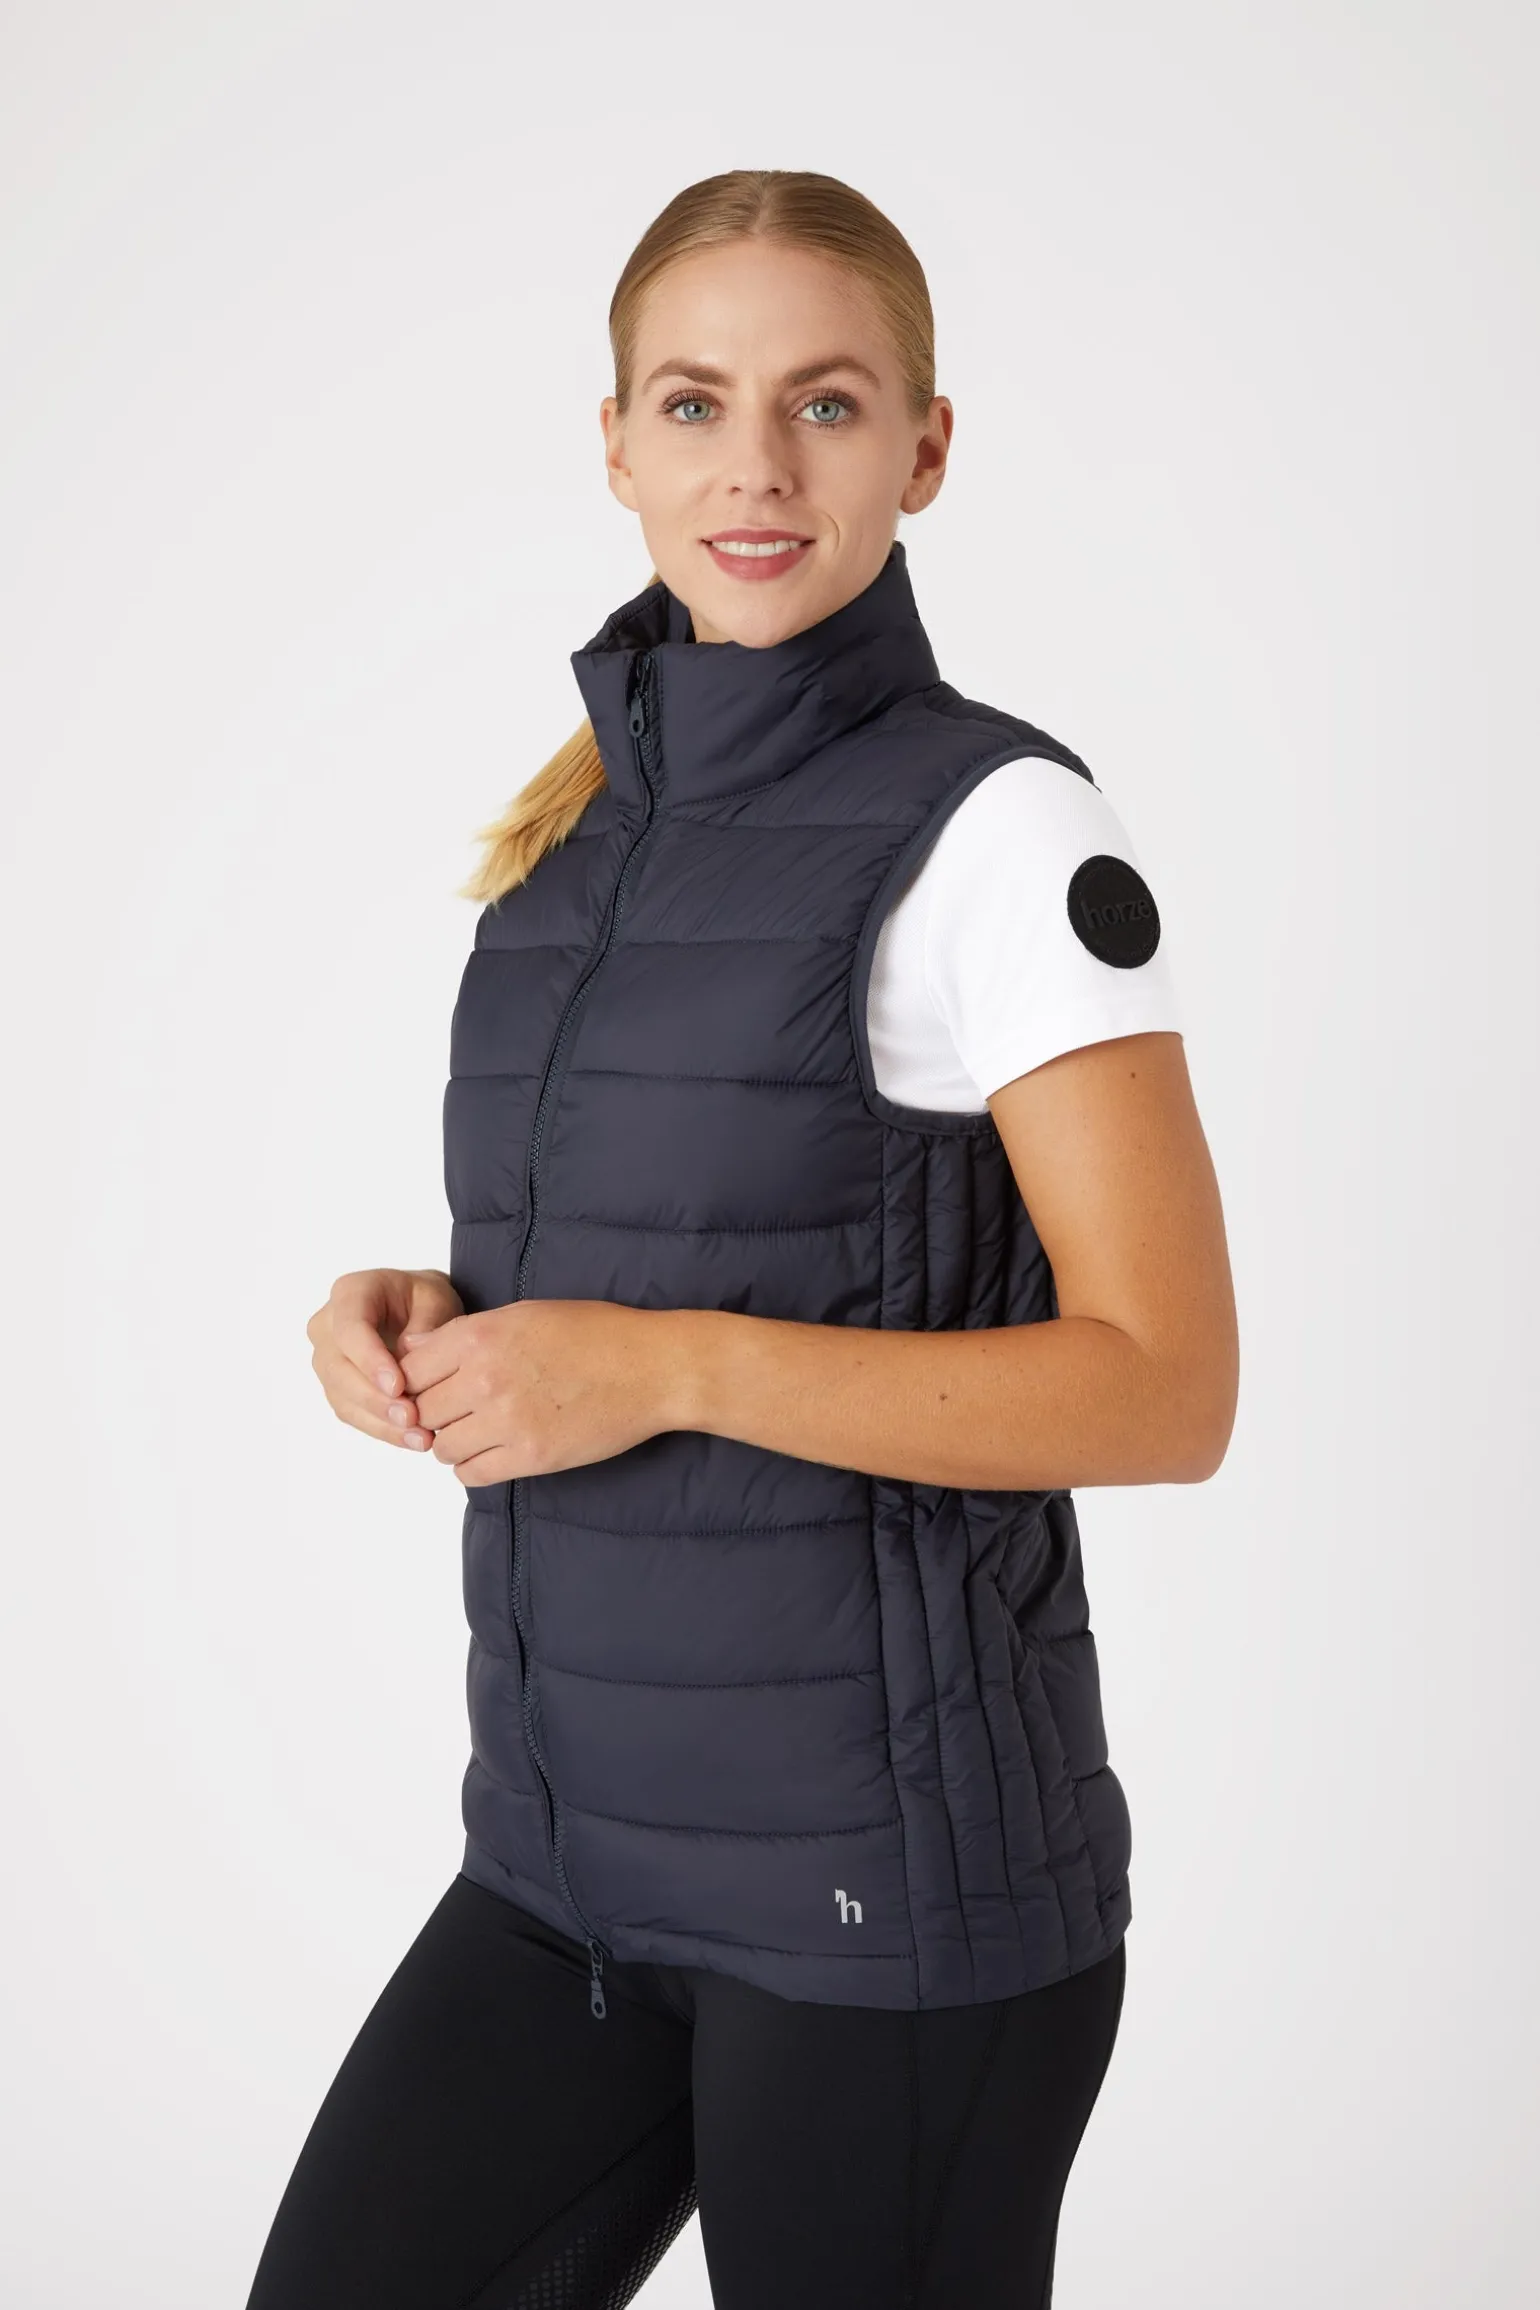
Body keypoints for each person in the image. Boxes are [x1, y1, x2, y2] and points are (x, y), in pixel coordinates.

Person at [248, 168, 1238, 2310]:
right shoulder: (574, 838)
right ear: (615, 446)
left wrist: (663, 1364)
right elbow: (685, 1245)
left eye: (826, 402)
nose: (756, 467)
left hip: (894, 1906)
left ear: (924, 448)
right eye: (694, 404)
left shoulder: (1002, 829)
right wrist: (426, 1316)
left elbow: (1166, 1386)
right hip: (567, 1865)